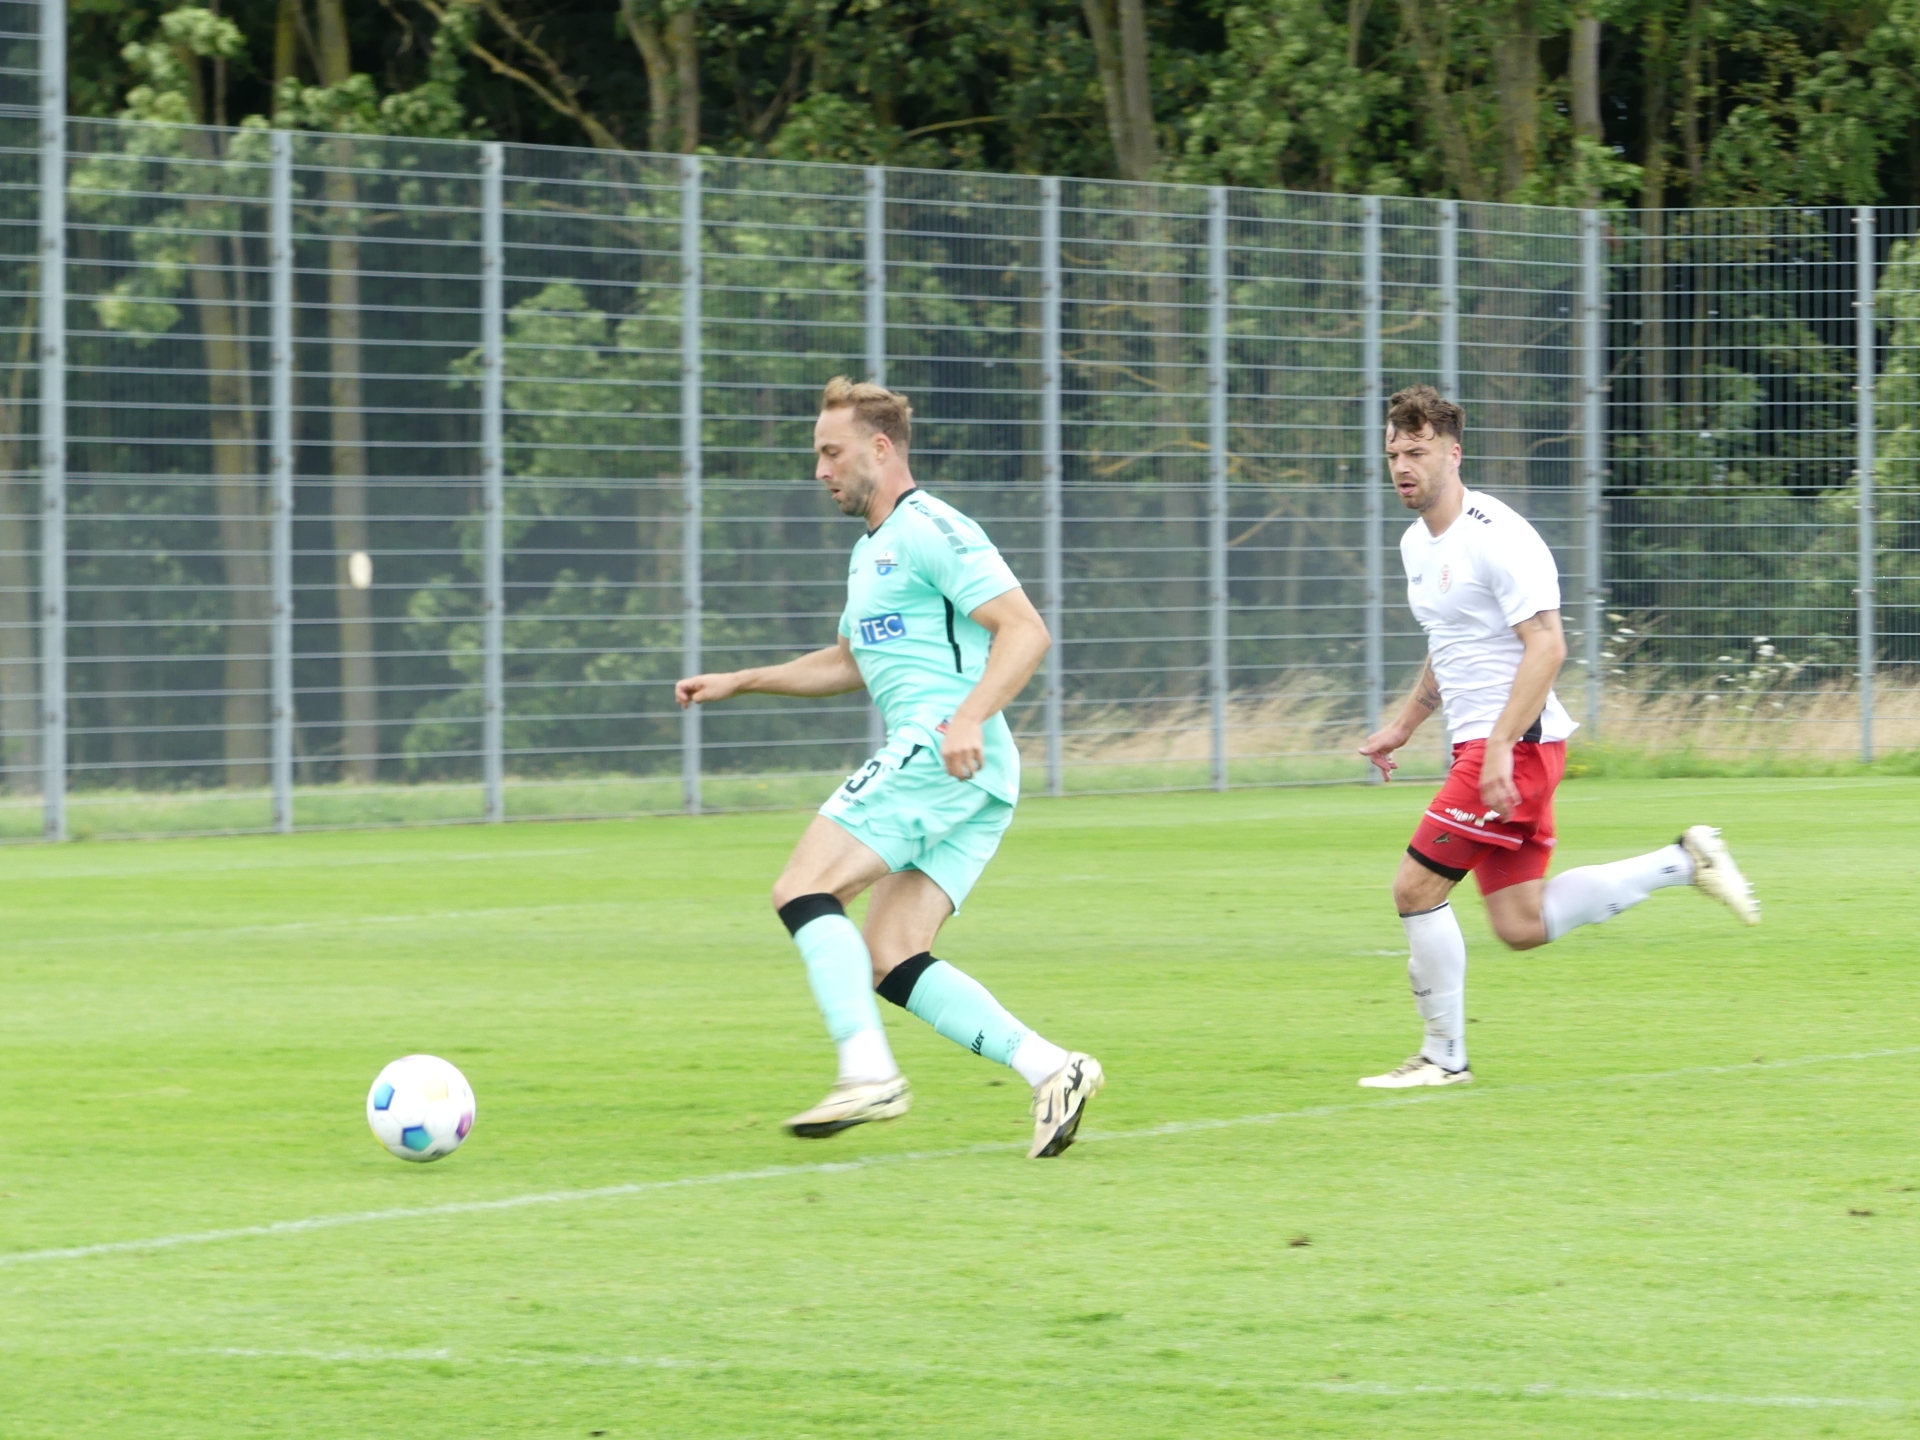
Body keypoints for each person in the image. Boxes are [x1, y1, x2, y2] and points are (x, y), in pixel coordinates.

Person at [675, 377, 1105, 1157]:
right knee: (891, 954)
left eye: (831, 452)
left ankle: (868, 1073)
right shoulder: (871, 550)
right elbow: (848, 661)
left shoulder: (931, 527)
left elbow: (1025, 629)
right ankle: (1052, 1068)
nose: (820, 470)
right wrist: (742, 680)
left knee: (802, 888)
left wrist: (966, 716)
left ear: (880, 448)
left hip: (943, 744)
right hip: (967, 763)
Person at [1354, 384, 1758, 1088]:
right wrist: (1403, 725)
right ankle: (1682, 860)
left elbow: (1548, 646)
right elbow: (1451, 643)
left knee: (1415, 888)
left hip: (1514, 748)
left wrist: (1499, 747)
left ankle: (1444, 1059)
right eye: (1394, 455)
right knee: (1520, 923)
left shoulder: (1496, 536)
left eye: (1417, 451)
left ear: (1454, 453)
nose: (1403, 467)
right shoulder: (1416, 543)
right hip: (1492, 748)